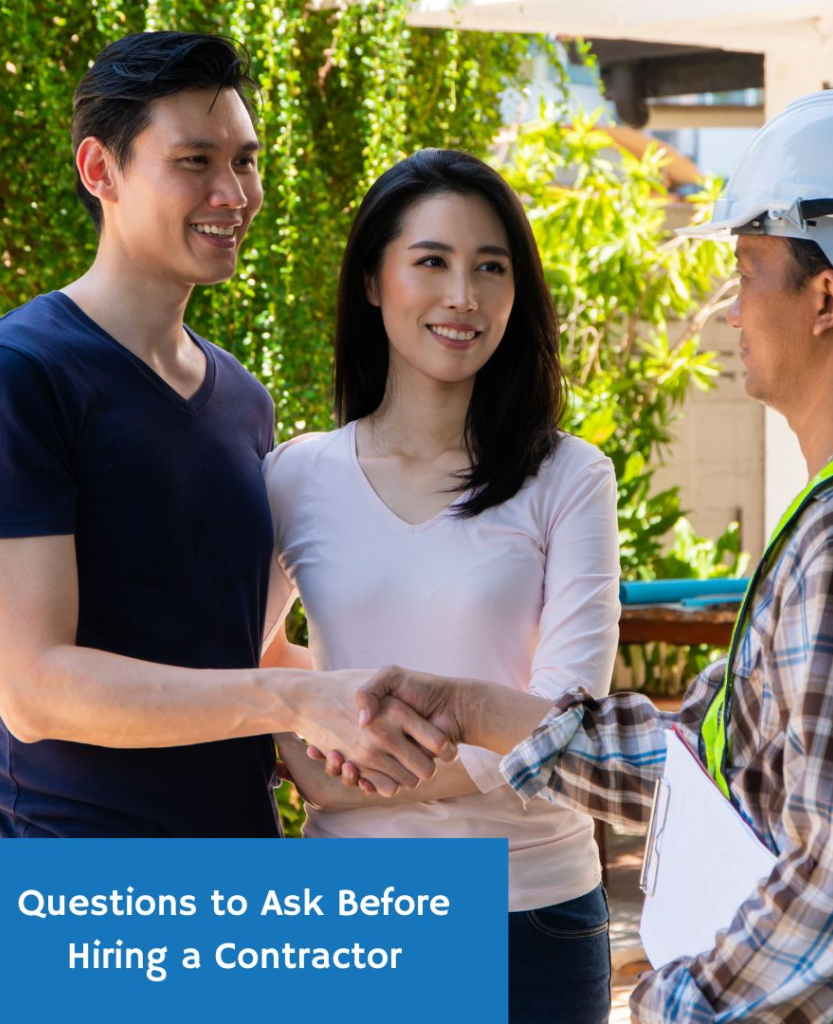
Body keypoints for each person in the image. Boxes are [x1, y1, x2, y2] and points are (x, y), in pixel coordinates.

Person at [343, 91, 833, 1022]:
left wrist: (669, 1008)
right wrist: (484, 711)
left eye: (748, 271)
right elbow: (729, 771)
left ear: (826, 298)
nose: (731, 308)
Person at [0, 31, 449, 839]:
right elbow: (34, 690)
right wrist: (292, 699)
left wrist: (388, 706)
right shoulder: (13, 373)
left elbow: (240, 645)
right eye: (195, 162)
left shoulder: (243, 401)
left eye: (246, 161)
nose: (234, 193)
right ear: (99, 170)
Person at [256, 149, 620, 1024]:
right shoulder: (296, 477)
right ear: (374, 282)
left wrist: (348, 772)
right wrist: (296, 731)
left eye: (490, 268)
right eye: (432, 262)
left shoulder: (570, 477)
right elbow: (241, 661)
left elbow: (565, 724)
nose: (464, 295)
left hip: (526, 917)